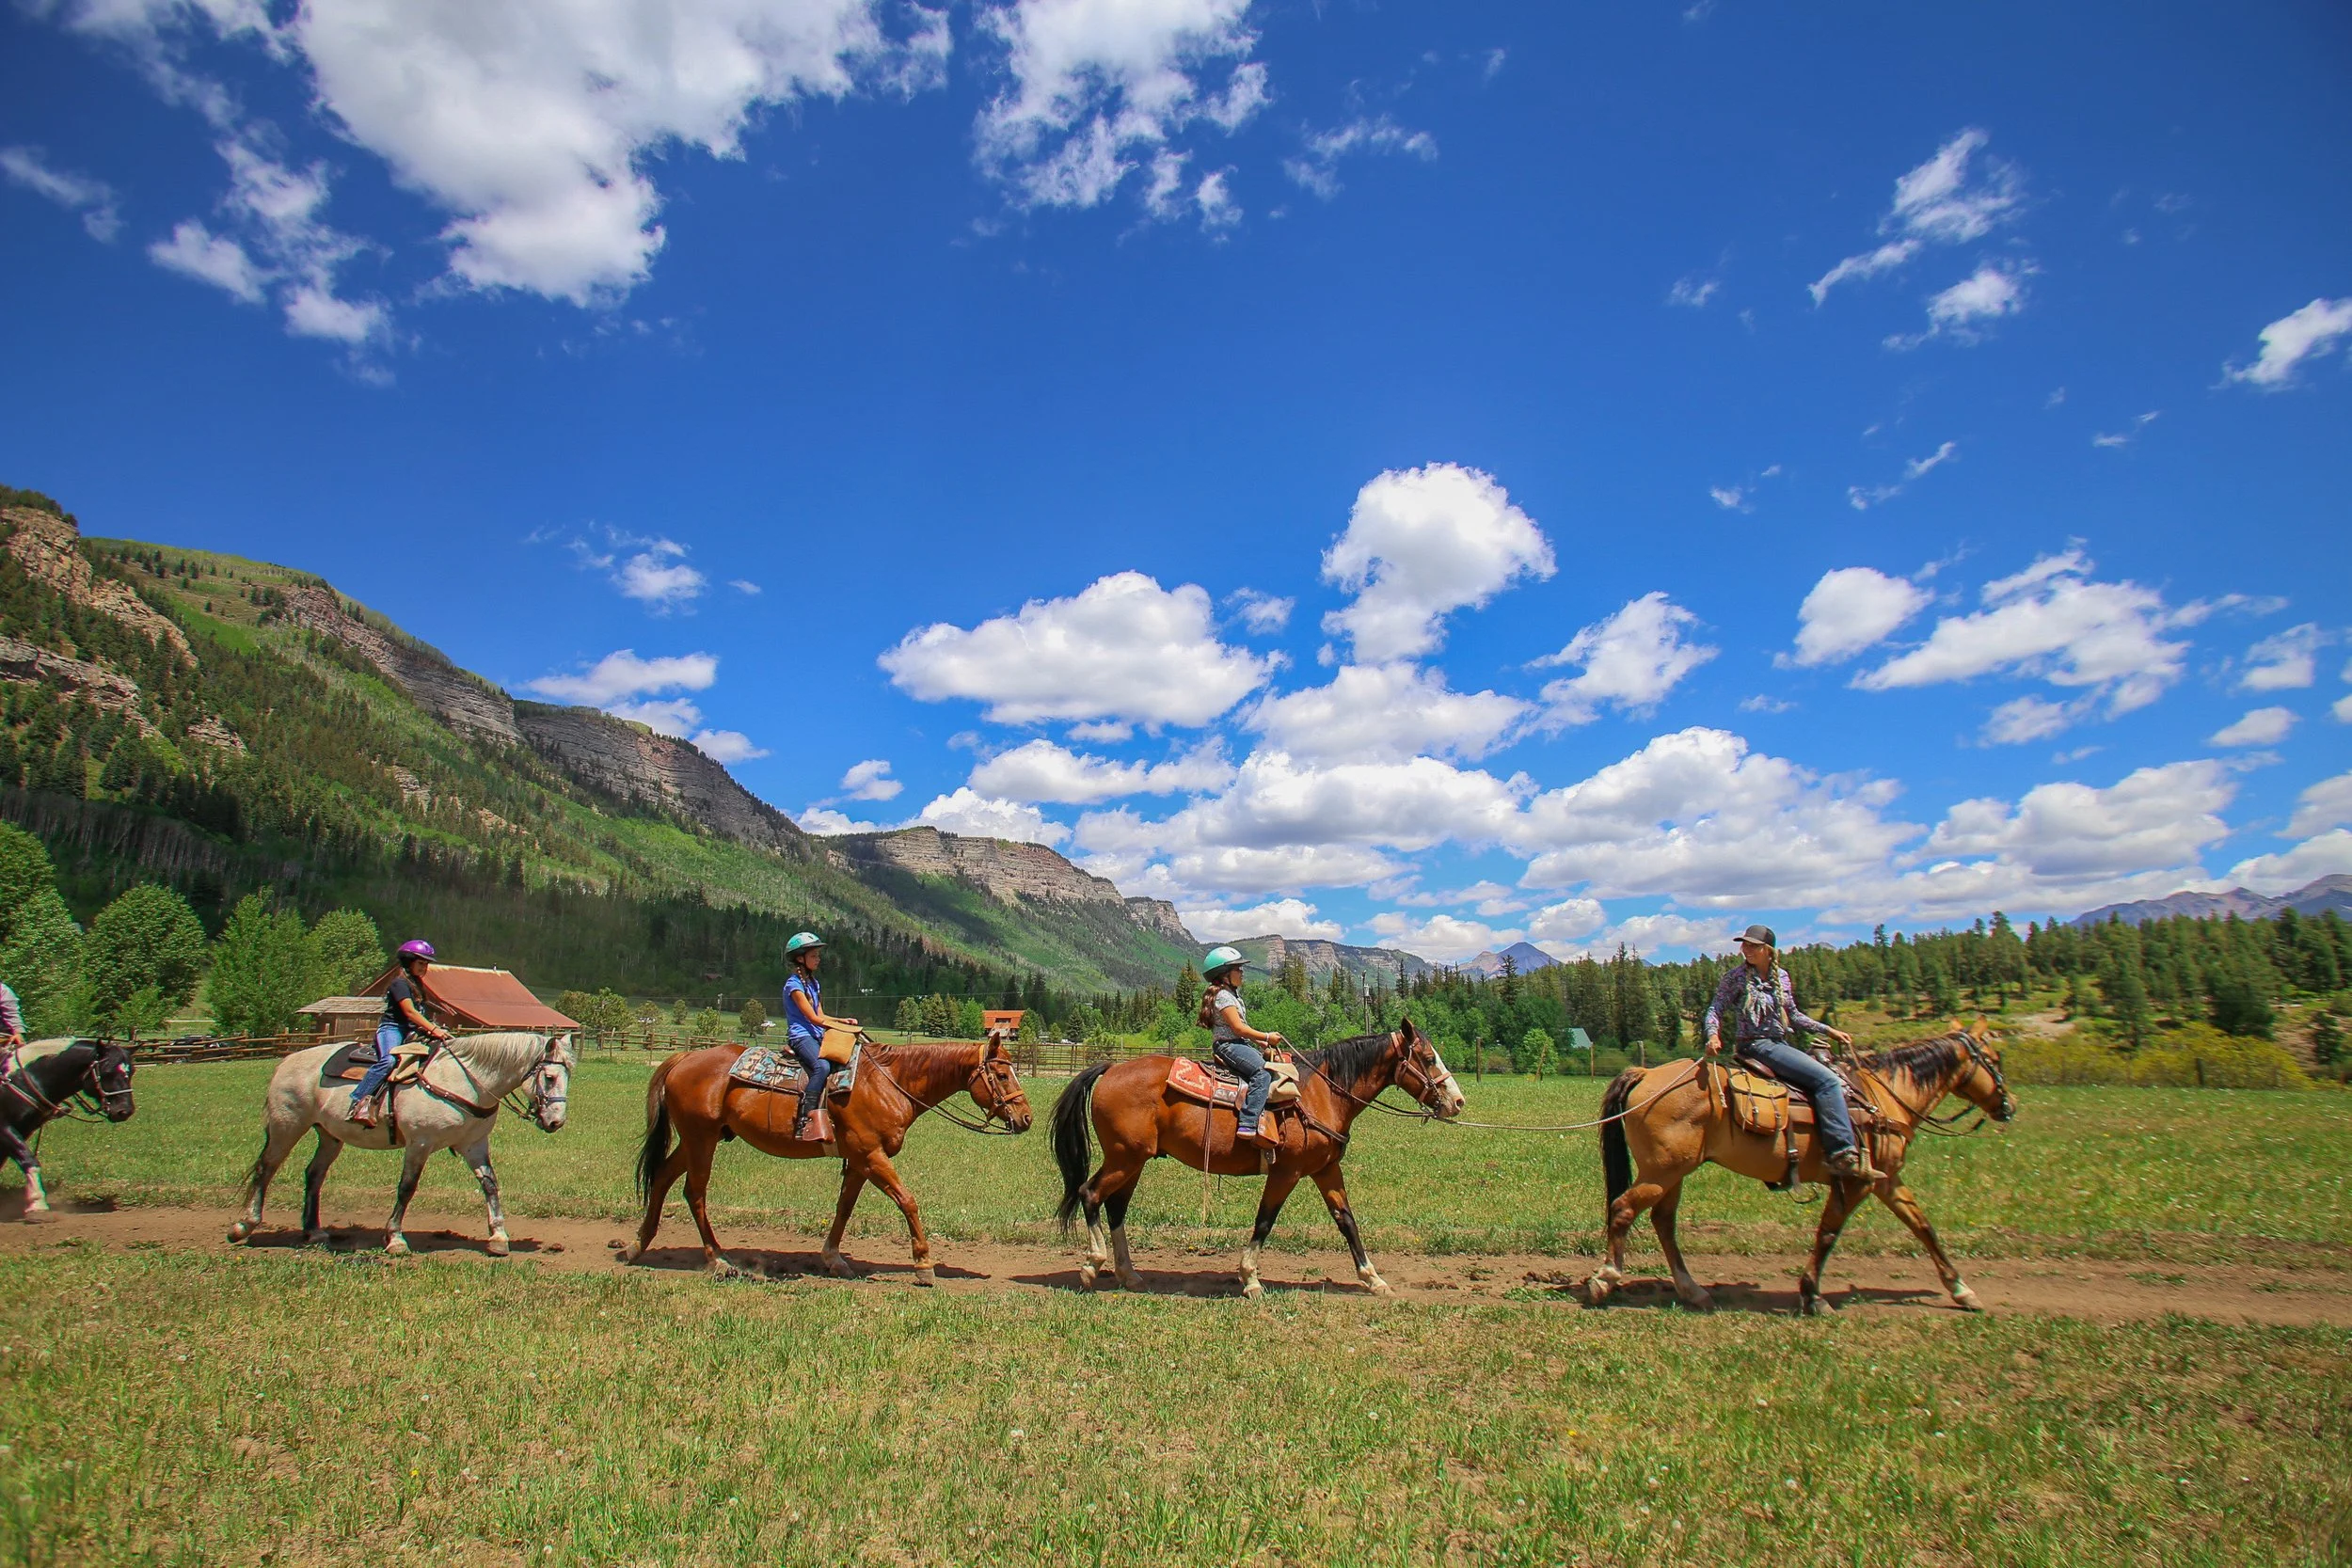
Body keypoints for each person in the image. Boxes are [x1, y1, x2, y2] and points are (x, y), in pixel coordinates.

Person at [1703, 924, 1863, 1178]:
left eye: (1753, 946)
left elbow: (1794, 1016)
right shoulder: (1735, 978)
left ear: (1768, 950)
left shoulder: (1782, 977)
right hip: (1756, 1045)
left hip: (1779, 1044)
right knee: (1828, 1081)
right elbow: (1716, 1009)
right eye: (1744, 945)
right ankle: (1841, 1151)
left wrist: (1828, 1030)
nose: (1746, 949)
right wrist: (1713, 1034)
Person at [350, 940, 453, 1129]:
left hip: (412, 1030)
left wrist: (434, 1029)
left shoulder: (416, 984)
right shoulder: (400, 984)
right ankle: (358, 1101)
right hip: (393, 1028)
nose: (424, 967)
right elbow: (410, 1012)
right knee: (389, 1061)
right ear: (408, 961)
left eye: (426, 964)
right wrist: (433, 1030)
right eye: (421, 963)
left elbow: (419, 1013)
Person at [1198, 946, 1283, 1148]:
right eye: (1238, 969)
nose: (1242, 972)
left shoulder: (1232, 995)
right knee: (1262, 1073)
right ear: (1225, 974)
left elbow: (1241, 1028)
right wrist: (1267, 1036)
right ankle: (1248, 1122)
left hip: (1238, 1043)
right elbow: (1238, 1028)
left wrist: (1260, 1042)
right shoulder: (1224, 997)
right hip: (1229, 1046)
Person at [781, 932, 859, 1141]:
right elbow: (813, 1018)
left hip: (816, 1034)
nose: (818, 959)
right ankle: (805, 1118)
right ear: (800, 958)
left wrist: (842, 1021)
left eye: (818, 955)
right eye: (814, 955)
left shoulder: (813, 984)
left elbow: (821, 1015)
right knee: (822, 1067)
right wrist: (841, 1028)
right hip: (801, 1036)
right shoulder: (794, 985)